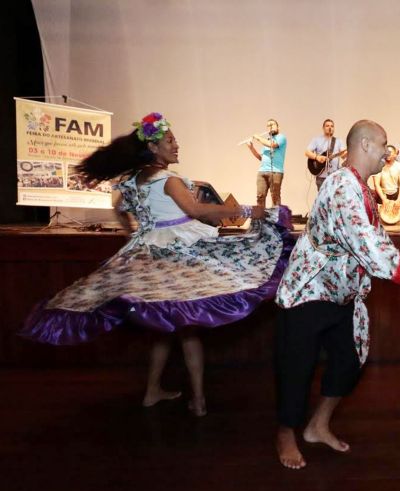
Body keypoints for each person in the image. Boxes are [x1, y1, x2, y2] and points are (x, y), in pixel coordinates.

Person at [20, 112, 295, 417]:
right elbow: (195, 209)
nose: (176, 145)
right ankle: (199, 400)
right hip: (177, 255)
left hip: (149, 254)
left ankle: (154, 392)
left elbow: (120, 209)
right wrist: (247, 210)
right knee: (186, 325)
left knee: (164, 323)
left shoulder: (133, 181)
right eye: (170, 141)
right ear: (154, 148)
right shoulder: (168, 180)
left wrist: (135, 235)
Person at [274, 119, 400, 469]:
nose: (387, 151)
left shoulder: (360, 187)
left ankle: (318, 426)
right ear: (365, 145)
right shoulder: (340, 186)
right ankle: (286, 433)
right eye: (383, 144)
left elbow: (375, 237)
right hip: (310, 289)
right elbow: (365, 243)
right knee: (297, 367)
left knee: (349, 361)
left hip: (342, 291)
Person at [247, 118, 286, 207]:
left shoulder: (281, 137)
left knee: (275, 198)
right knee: (260, 197)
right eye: (268, 125)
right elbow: (260, 157)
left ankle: (275, 220)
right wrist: (251, 148)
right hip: (262, 171)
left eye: (272, 124)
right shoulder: (267, 141)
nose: (270, 126)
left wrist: (258, 138)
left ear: (278, 127)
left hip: (276, 172)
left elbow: (272, 145)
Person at [305, 119, 347, 191]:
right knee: (322, 200)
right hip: (321, 176)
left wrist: (347, 153)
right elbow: (307, 152)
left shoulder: (338, 141)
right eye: (327, 126)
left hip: (334, 176)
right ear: (323, 128)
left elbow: (343, 156)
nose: (330, 127)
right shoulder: (316, 140)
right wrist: (317, 157)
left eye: (332, 126)